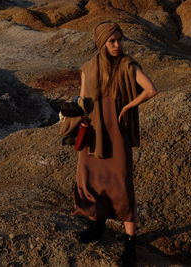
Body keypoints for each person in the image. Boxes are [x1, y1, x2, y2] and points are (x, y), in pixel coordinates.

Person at [72, 21, 158, 266]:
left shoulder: (128, 65)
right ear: (102, 42)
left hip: (116, 136)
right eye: (113, 41)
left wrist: (128, 107)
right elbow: (82, 101)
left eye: (120, 40)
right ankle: (96, 226)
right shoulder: (88, 68)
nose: (118, 45)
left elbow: (151, 90)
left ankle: (130, 244)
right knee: (91, 179)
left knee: (121, 185)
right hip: (94, 135)